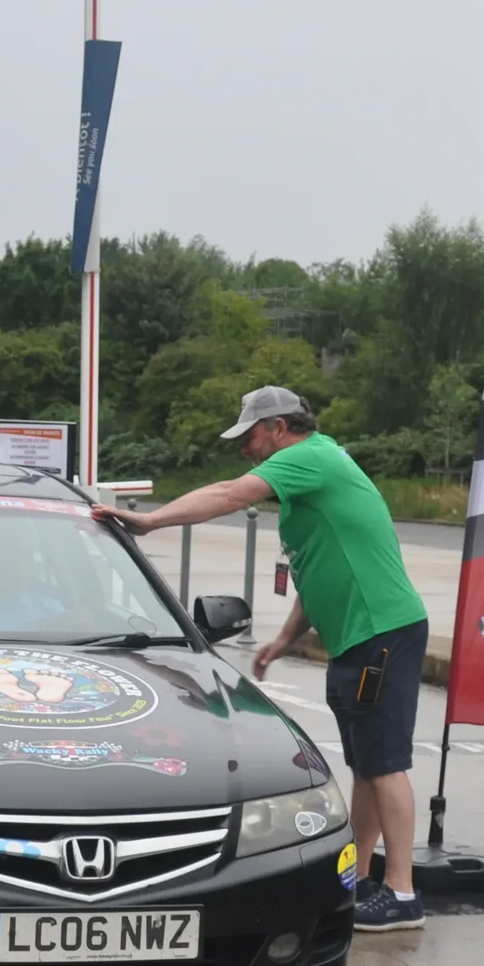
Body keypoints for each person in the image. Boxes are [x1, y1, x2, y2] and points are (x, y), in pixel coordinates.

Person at [93, 386, 432, 931]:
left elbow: (229, 495)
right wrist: (285, 640)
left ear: (278, 427)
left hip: (382, 632)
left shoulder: (309, 456)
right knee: (366, 766)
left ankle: (401, 892)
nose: (246, 449)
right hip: (358, 638)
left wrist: (151, 522)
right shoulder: (310, 478)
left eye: (250, 436)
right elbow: (319, 570)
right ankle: (364, 878)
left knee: (386, 765)